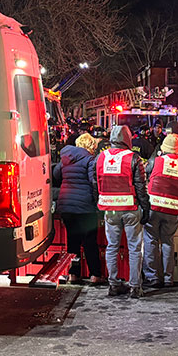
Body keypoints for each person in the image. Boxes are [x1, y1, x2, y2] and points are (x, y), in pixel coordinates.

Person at [96, 125, 149, 298]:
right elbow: (140, 186)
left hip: (109, 209)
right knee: (134, 248)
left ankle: (113, 285)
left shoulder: (101, 157)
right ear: (127, 139)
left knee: (112, 247)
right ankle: (135, 287)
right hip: (130, 208)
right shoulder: (133, 158)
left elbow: (95, 181)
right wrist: (146, 207)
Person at [52, 133, 105, 285]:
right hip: (85, 207)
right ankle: (95, 275)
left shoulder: (66, 158)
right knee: (89, 242)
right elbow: (93, 181)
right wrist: (97, 201)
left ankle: (73, 274)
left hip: (67, 205)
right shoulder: (89, 159)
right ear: (91, 146)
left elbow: (56, 175)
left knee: (72, 242)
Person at [143, 133, 178, 287]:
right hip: (173, 210)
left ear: (163, 149)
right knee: (167, 241)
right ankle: (168, 278)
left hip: (154, 207)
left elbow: (146, 175)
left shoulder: (156, 161)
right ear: (177, 150)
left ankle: (152, 277)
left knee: (151, 239)